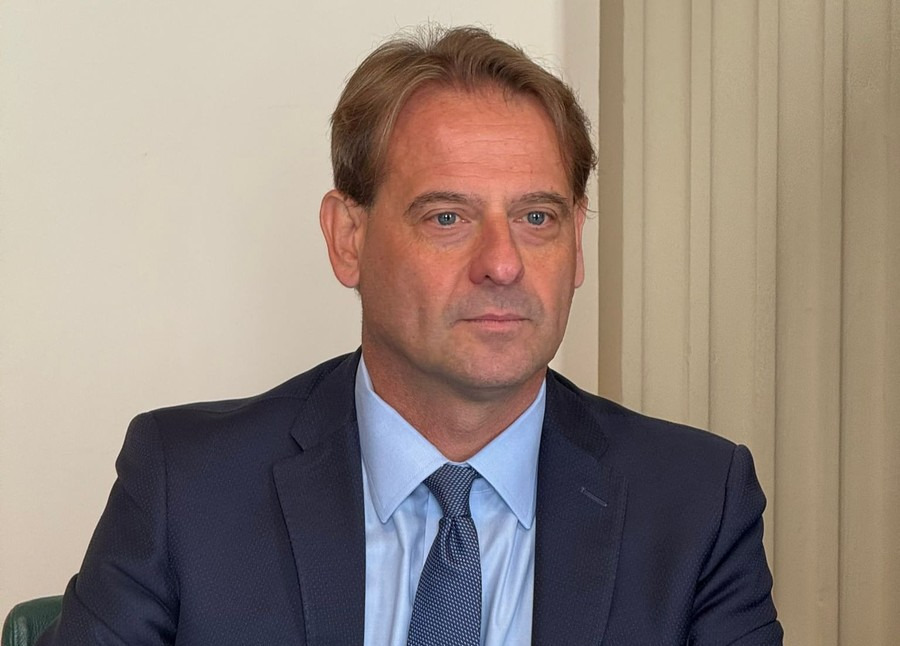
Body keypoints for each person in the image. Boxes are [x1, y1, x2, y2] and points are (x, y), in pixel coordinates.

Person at [38, 26, 782, 645]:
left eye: (537, 218)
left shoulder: (696, 506)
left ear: (577, 244)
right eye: (447, 217)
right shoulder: (188, 486)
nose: (502, 264)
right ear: (348, 239)